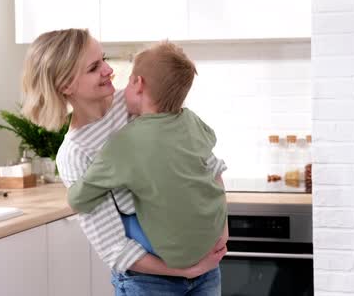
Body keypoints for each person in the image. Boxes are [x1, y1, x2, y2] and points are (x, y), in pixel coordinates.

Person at [21, 28, 228, 295]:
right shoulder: (76, 153)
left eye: (103, 58)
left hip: (207, 271)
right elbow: (113, 247)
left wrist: (221, 233)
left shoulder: (142, 100)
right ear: (66, 85)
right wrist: (185, 270)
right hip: (149, 283)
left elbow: (207, 166)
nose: (109, 69)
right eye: (95, 67)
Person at [67, 40, 228, 271]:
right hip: (212, 240)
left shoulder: (125, 143)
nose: (109, 72)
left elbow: (78, 199)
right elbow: (212, 168)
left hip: (176, 256)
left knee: (130, 216)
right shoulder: (191, 120)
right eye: (95, 66)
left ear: (137, 83)